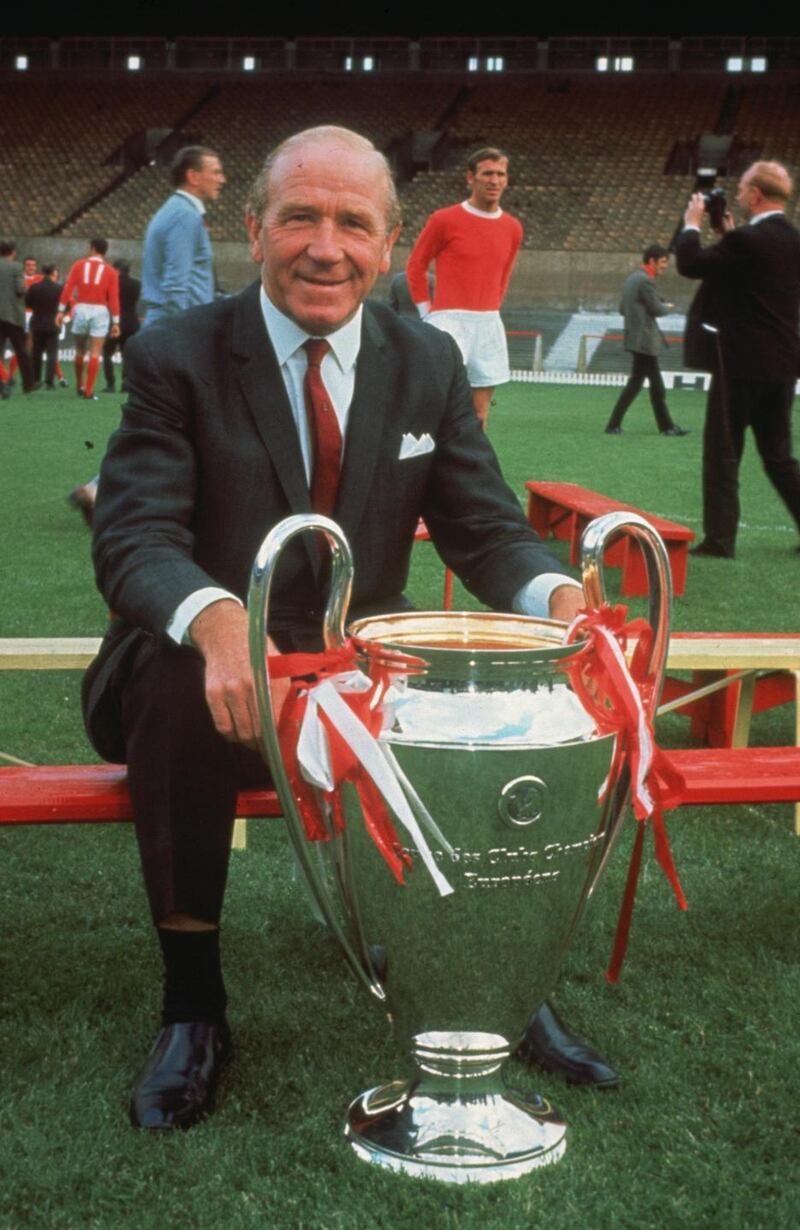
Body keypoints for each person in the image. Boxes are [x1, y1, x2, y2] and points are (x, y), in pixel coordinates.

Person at [82, 125, 616, 1133]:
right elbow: (134, 535)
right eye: (299, 218)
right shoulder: (175, 356)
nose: (324, 246)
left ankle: (488, 987)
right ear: (253, 229)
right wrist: (214, 622)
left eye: (350, 223)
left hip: (354, 679)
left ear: (385, 241)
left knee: (485, 698)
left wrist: (558, 603)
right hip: (201, 676)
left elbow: (485, 527)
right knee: (174, 680)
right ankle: (193, 1007)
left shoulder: (425, 359)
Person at [676, 160, 800, 558]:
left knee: (723, 453)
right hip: (781, 363)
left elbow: (690, 263)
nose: (740, 194)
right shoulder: (791, 240)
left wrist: (692, 223)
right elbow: (754, 279)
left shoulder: (746, 241)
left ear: (756, 195)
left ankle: (721, 539)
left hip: (740, 364)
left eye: (744, 188)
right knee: (779, 456)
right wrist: (729, 235)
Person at [406, 147, 523, 427]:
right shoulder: (444, 220)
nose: (494, 180)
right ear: (471, 178)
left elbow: (504, 276)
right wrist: (427, 315)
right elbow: (415, 267)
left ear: (506, 180)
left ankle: (471, 469)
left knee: (479, 414)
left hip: (487, 323)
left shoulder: (512, 227)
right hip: (447, 322)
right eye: (487, 173)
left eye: (500, 174)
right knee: (438, 408)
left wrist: (491, 307)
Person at [604, 244, 689, 436]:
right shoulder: (645, 281)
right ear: (652, 260)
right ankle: (666, 427)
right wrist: (668, 306)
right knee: (655, 385)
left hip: (635, 338)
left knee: (637, 384)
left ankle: (615, 425)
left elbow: (622, 308)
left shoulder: (632, 278)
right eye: (663, 262)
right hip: (644, 340)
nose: (665, 266)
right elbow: (657, 310)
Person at [140, 145, 225, 326]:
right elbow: (175, 286)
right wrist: (184, 335)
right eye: (216, 173)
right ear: (193, 176)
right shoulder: (184, 215)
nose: (222, 180)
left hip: (171, 321)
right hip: (178, 325)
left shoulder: (177, 210)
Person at [57, 238, 120, 401]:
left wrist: (60, 311)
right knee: (95, 350)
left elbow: (68, 289)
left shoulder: (78, 265)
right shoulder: (111, 271)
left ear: (91, 248)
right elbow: (114, 298)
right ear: (105, 251)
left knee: (79, 349)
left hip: (81, 307)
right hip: (100, 310)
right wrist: (116, 322)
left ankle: (79, 385)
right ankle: (89, 392)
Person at [0, 240, 34, 395]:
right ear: (13, 252)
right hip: (13, 315)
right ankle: (28, 383)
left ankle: (2, 382)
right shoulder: (16, 267)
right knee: (21, 349)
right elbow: (20, 289)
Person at [102, 259, 140, 392]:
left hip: (115, 322)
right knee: (127, 355)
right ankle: (126, 384)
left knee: (107, 353)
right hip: (131, 322)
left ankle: (110, 384)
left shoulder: (111, 283)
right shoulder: (136, 284)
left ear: (116, 269)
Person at [26, 263, 62, 387]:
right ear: (53, 273)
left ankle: (36, 380)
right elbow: (65, 306)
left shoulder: (34, 287)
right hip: (53, 323)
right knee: (52, 353)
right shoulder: (59, 288)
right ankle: (49, 381)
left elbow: (28, 304)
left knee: (36, 352)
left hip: (37, 322)